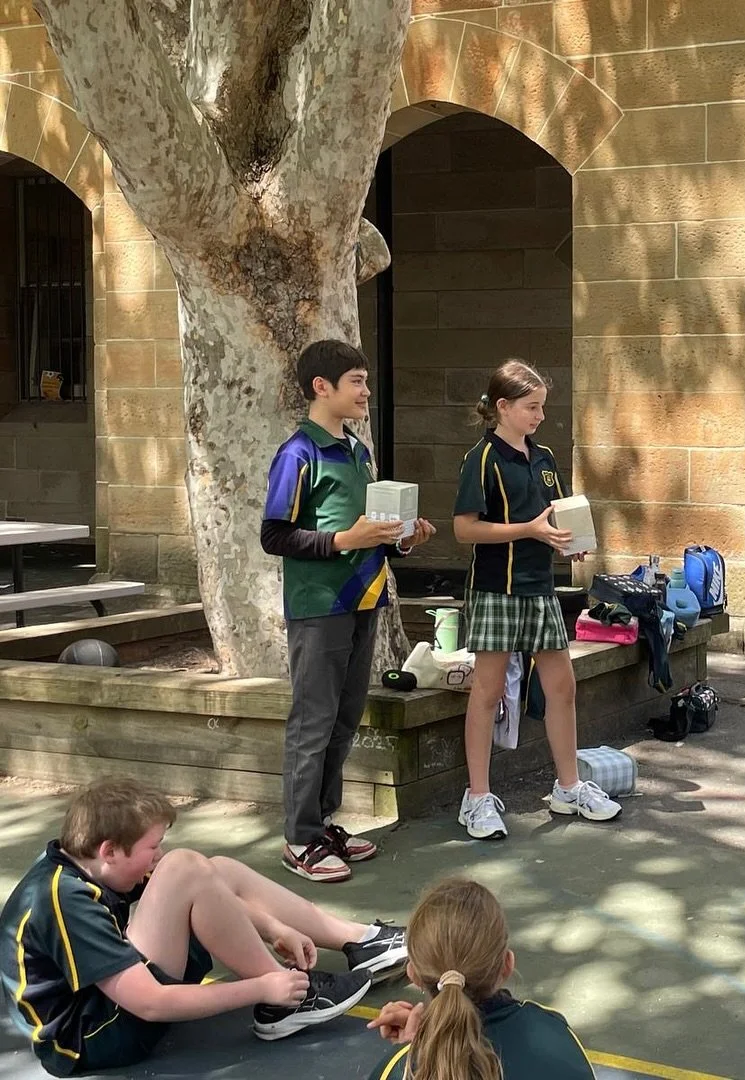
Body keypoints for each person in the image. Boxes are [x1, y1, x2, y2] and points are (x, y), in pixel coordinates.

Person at [0, 777, 408, 1077]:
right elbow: (150, 1003)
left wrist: (272, 927)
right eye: (151, 847)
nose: (158, 854)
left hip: (110, 1001)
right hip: (93, 1036)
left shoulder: (83, 861)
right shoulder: (65, 900)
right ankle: (284, 998)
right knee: (185, 868)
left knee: (215, 870)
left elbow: (205, 886)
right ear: (109, 851)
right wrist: (259, 988)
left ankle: (360, 940)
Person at [262, 339, 437, 882]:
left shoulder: (359, 451)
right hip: (319, 607)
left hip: (367, 600)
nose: (366, 391)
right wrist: (344, 540)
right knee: (312, 720)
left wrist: (403, 540)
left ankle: (322, 823)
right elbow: (275, 535)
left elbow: (373, 534)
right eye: (357, 381)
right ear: (323, 387)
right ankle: (298, 839)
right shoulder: (298, 454)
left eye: (365, 380)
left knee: (343, 717)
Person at [452, 359, 620, 840]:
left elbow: (558, 520)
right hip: (495, 590)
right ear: (502, 407)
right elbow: (464, 529)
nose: (540, 416)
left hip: (541, 591)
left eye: (542, 407)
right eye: (532, 407)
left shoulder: (544, 458)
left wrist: (573, 541)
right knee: (487, 693)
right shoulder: (480, 459)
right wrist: (526, 531)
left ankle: (569, 787)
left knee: (562, 686)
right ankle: (477, 797)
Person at [366, 877, 595, 1080]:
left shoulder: (398, 1070)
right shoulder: (556, 1033)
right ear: (507, 964)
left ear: (413, 973)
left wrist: (410, 1050)